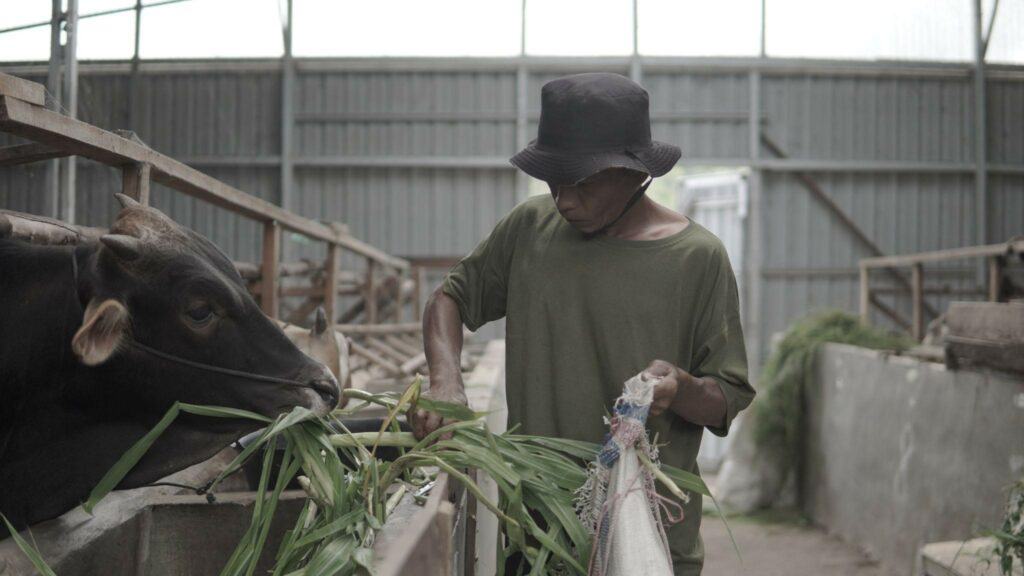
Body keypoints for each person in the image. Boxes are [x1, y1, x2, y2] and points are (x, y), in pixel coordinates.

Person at [409, 72, 755, 575]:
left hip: (647, 538)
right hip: (537, 531)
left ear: (636, 172)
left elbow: (726, 397)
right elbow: (449, 298)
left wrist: (679, 388)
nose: (564, 200)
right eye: (554, 181)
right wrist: (446, 380)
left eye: (583, 182)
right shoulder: (529, 230)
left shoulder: (696, 259)